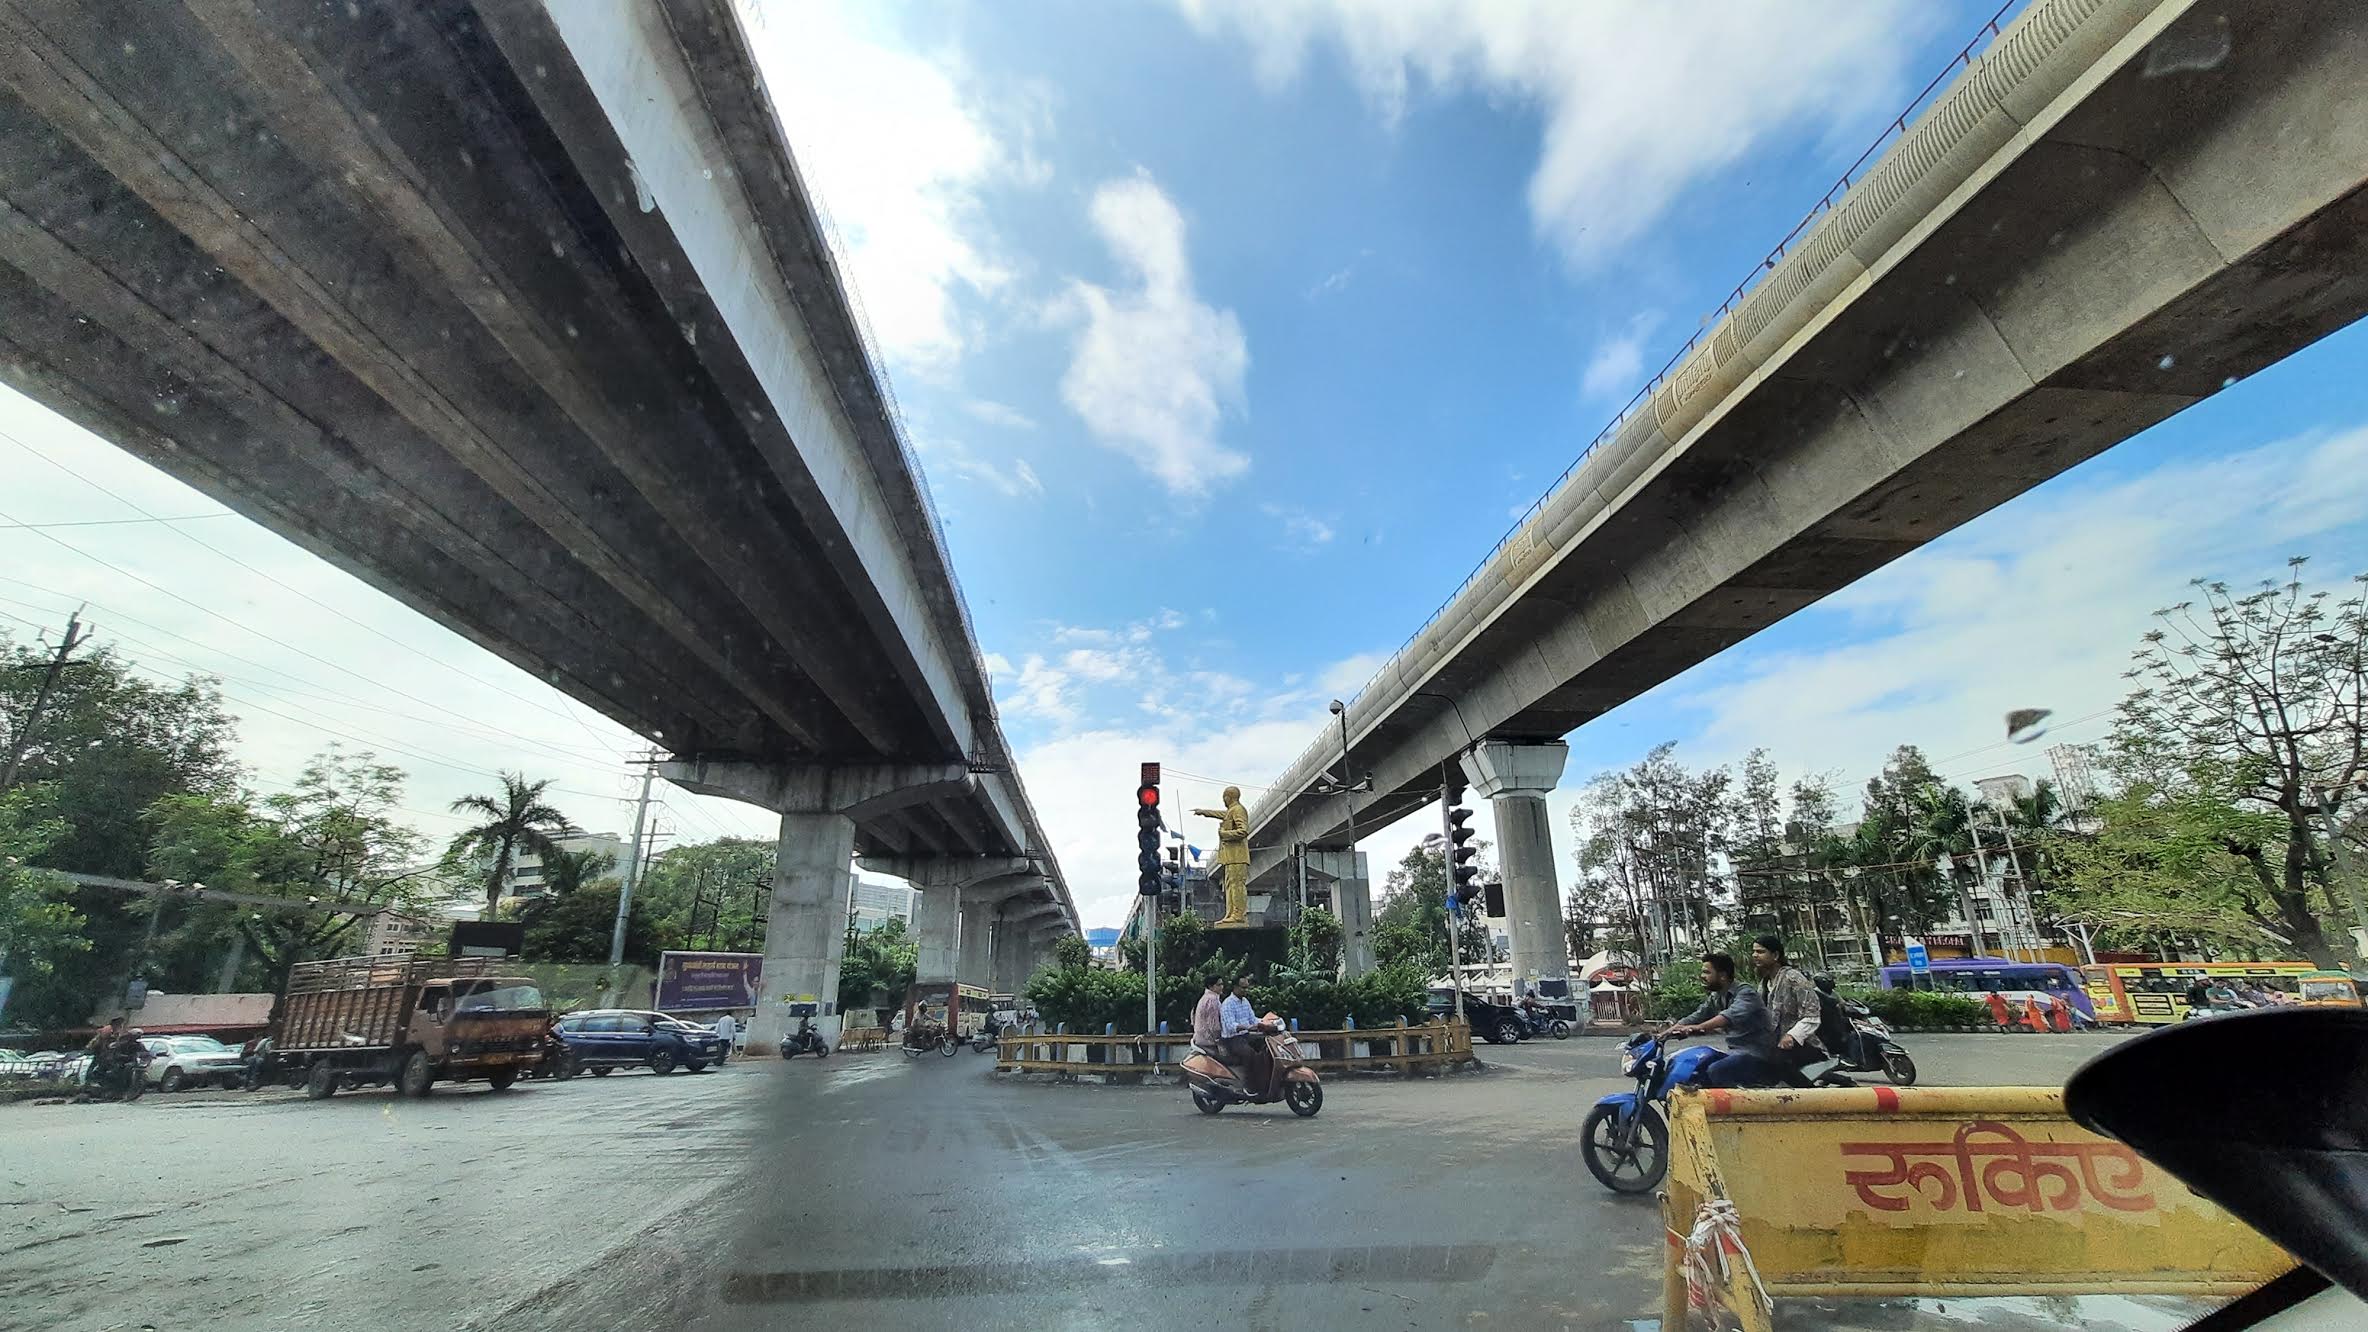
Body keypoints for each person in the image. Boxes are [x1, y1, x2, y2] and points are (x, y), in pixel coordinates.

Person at [1661, 952, 1787, 1088]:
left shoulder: (1746, 993)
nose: (1702, 976)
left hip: (1759, 1055)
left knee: (1716, 1070)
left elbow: (1727, 1016)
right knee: (1696, 1069)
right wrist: (1664, 1034)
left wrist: (1698, 1027)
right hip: (1737, 1052)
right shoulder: (1717, 996)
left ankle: (1738, 1107)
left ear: (1722, 976)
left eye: (1707, 972)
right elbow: (1696, 1016)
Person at [1220, 977, 1269, 1090]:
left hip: (1246, 1036)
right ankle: (1249, 1086)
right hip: (1232, 1039)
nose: (1246, 990)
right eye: (1243, 987)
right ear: (1235, 987)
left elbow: (1253, 1019)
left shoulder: (1245, 1002)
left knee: (1267, 1046)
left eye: (1247, 987)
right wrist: (1247, 1027)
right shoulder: (1228, 1004)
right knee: (1249, 1054)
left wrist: (1267, 1021)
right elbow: (1230, 1026)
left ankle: (1264, 1080)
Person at [1191, 977, 1226, 1060]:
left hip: (1199, 1039)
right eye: (1219, 985)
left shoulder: (1204, 998)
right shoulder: (1212, 1000)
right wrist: (1220, 1041)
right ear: (1211, 987)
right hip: (1208, 1042)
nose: (1222, 987)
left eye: (1222, 984)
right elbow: (1214, 1026)